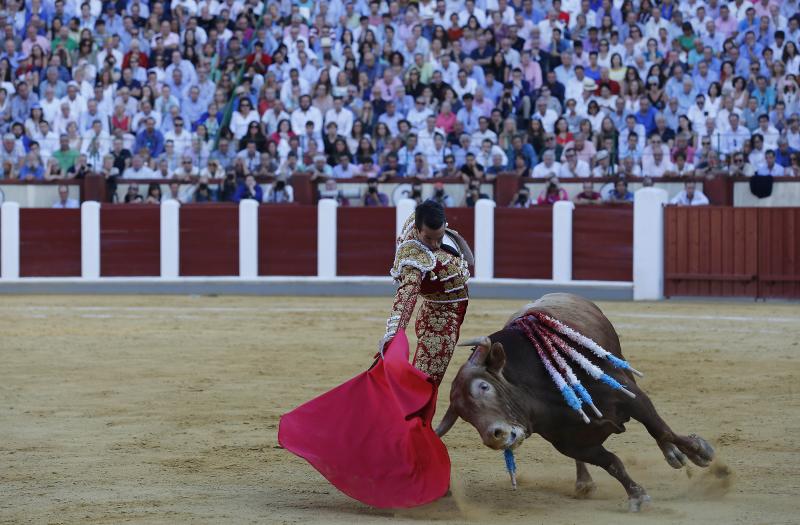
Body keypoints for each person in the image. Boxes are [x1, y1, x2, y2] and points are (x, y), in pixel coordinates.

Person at [380, 200, 474, 385]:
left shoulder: (420, 218)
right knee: (424, 384)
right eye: (428, 238)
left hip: (438, 311)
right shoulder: (414, 258)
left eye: (439, 237)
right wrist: (393, 336)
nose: (435, 244)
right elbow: (406, 296)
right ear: (417, 229)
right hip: (439, 319)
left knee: (423, 381)